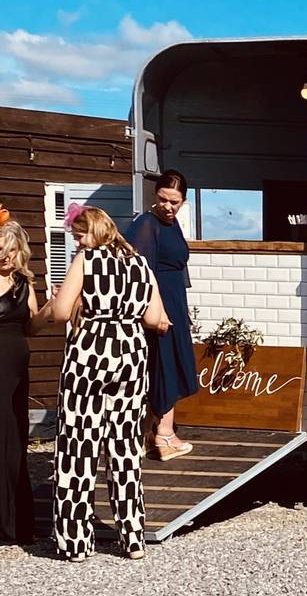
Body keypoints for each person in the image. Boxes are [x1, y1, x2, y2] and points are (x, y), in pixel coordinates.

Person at [49, 205, 166, 562]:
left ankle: (75, 543)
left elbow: (59, 313)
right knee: (125, 450)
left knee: (77, 449)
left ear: (94, 232)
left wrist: (64, 297)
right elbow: (154, 317)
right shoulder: (141, 265)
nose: (77, 241)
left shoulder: (86, 261)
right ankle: (132, 539)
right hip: (130, 356)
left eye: (78, 235)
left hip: (90, 356)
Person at [126, 169, 196, 461]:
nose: (168, 206)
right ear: (155, 195)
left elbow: (179, 267)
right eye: (163, 199)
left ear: (183, 201)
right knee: (164, 367)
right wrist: (158, 313)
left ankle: (147, 435)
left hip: (174, 302)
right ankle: (165, 435)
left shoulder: (172, 224)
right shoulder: (146, 223)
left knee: (171, 366)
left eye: (174, 202)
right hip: (159, 307)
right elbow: (142, 274)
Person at [0, 214, 47, 545]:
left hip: (17, 370)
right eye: (2, 249)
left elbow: (32, 326)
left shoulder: (24, 283)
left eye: (12, 250)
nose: (6, 256)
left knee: (15, 440)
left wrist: (53, 307)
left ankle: (17, 523)